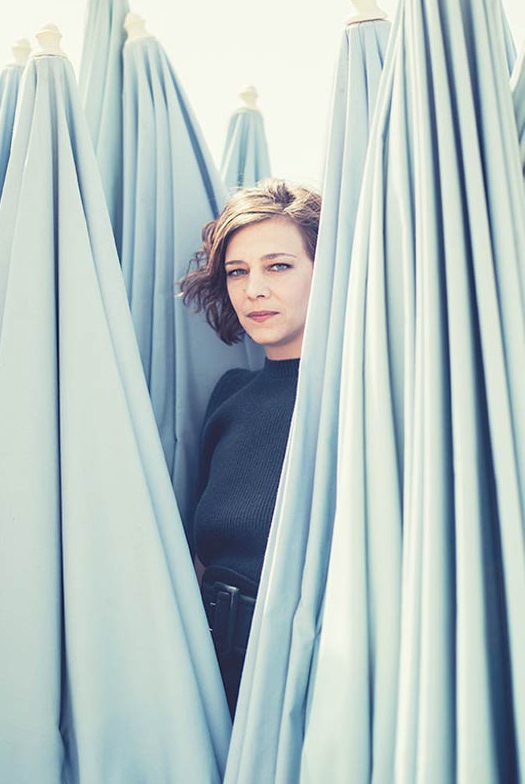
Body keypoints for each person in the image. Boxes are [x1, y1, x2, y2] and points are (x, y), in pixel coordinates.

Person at [180, 178, 321, 714]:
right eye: (237, 271)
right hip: (212, 679)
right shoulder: (231, 396)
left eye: (278, 266)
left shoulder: (360, 403)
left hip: (307, 685)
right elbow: (203, 556)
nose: (253, 289)